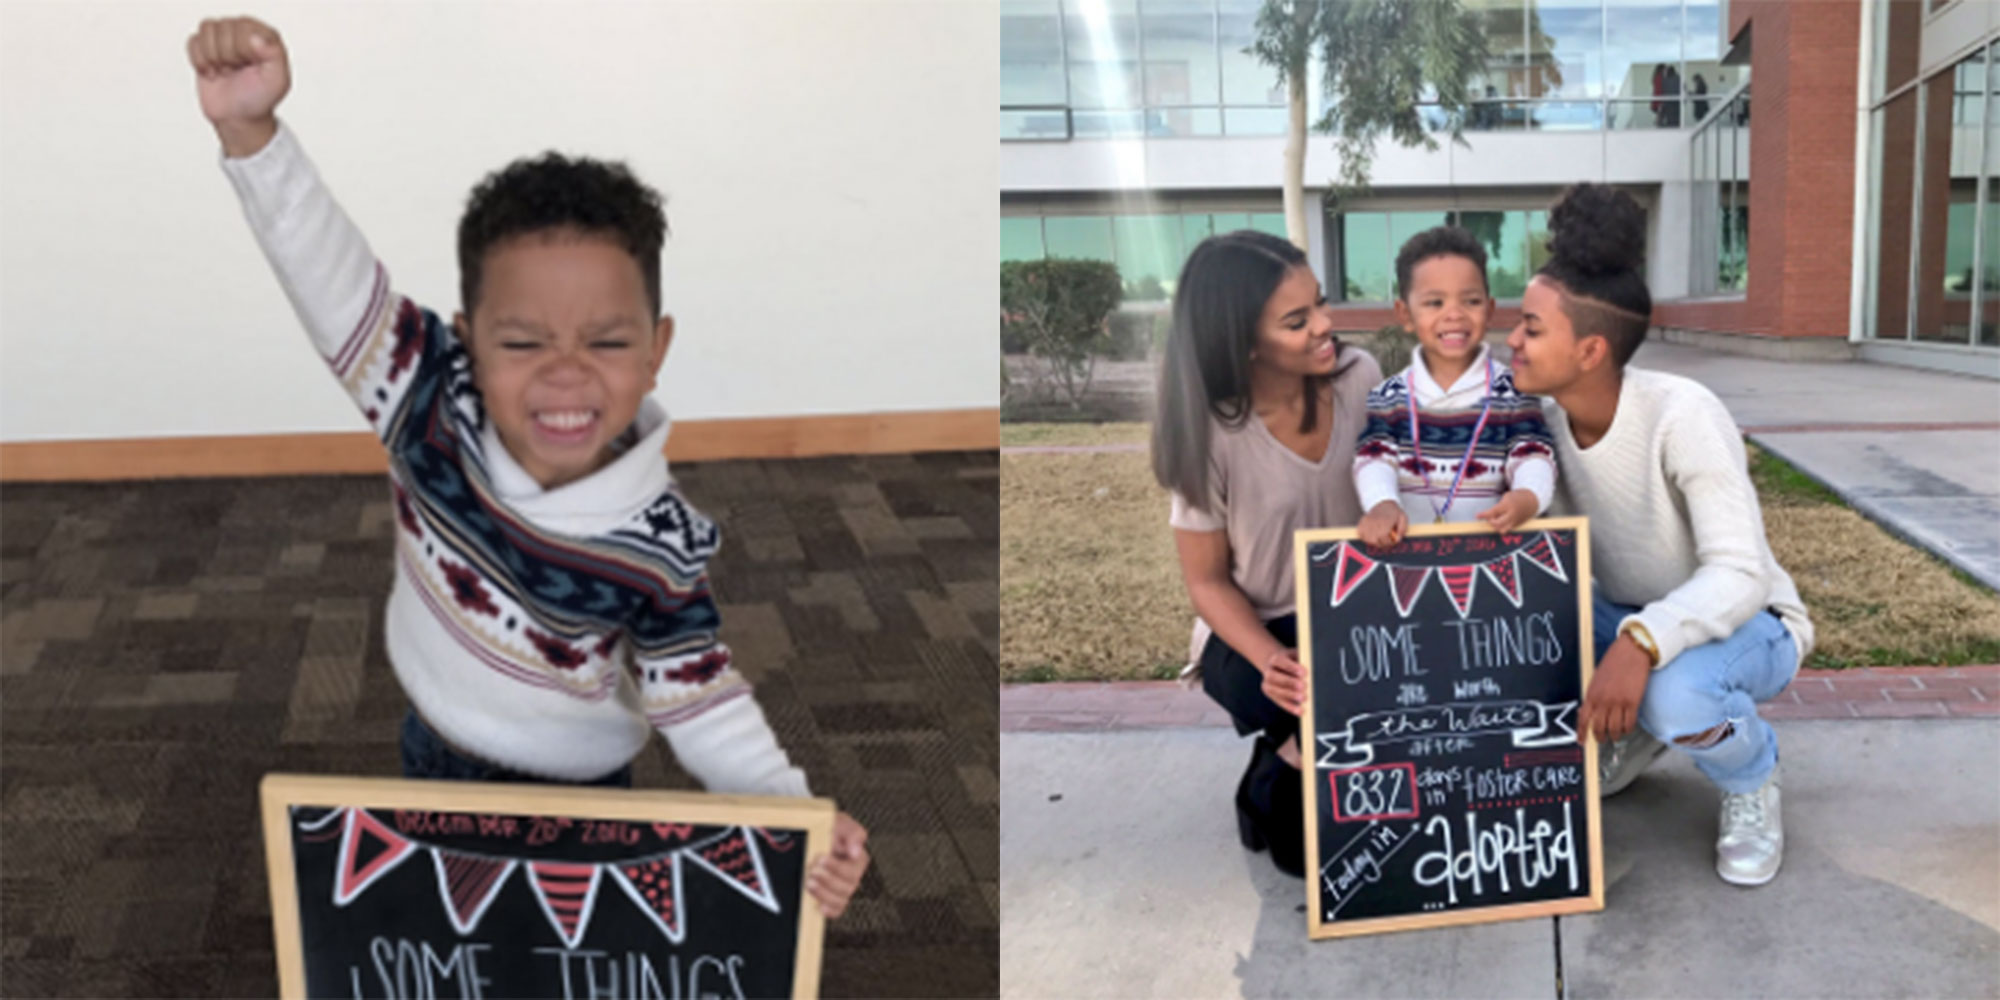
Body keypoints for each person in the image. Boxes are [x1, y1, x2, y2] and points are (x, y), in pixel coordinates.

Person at [186, 16, 869, 916]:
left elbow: (699, 698)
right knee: (446, 944)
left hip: (584, 797)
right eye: (521, 339)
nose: (566, 372)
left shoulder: (660, 545)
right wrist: (251, 134)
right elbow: (327, 271)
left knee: (563, 954)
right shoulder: (424, 391)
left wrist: (793, 814)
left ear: (656, 349)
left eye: (608, 340)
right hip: (431, 751)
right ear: (468, 341)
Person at [1505, 183, 1813, 887]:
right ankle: (1640, 722)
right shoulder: (1538, 421)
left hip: (1749, 623)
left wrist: (1639, 646)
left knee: (1678, 697)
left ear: (1588, 350)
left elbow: (1740, 573)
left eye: (1530, 327)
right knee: (1513, 632)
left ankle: (1752, 774)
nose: (1511, 340)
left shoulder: (1682, 413)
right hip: (1626, 611)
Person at [1151, 231, 1382, 877]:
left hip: (1357, 615)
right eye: (1297, 319)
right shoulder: (1213, 432)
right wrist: (1272, 659)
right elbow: (1207, 582)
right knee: (1303, 859)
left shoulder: (1361, 377)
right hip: (1260, 630)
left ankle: (1291, 750)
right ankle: (1284, 750)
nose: (1326, 325)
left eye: (1322, 304)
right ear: (1245, 341)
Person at [1353, 226, 1556, 551]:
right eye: (1434, 302)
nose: (1454, 315)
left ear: (1489, 310)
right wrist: (1381, 504)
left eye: (1471, 301)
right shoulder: (1388, 397)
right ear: (1405, 314)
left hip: (1492, 555)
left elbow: (1533, 455)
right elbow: (1374, 460)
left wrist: (1527, 497)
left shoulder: (1514, 395)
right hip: (1411, 555)